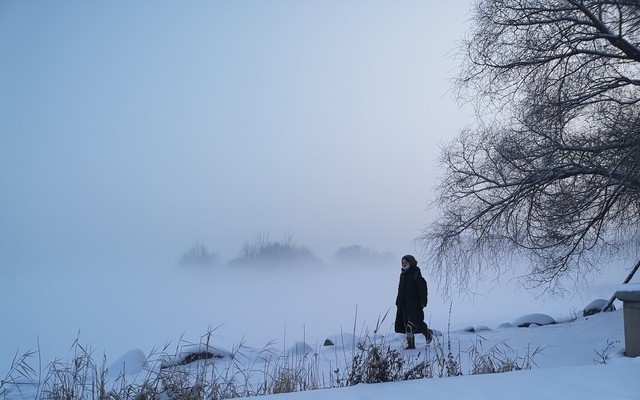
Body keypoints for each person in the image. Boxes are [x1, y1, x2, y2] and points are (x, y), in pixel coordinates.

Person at [395, 255, 432, 349]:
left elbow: (422, 289)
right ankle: (410, 344)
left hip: (414, 304)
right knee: (406, 324)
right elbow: (400, 289)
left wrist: (423, 302)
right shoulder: (403, 274)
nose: (404, 264)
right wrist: (398, 301)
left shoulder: (416, 273)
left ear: (411, 263)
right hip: (404, 304)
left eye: (406, 263)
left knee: (417, 322)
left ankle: (427, 334)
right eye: (402, 263)